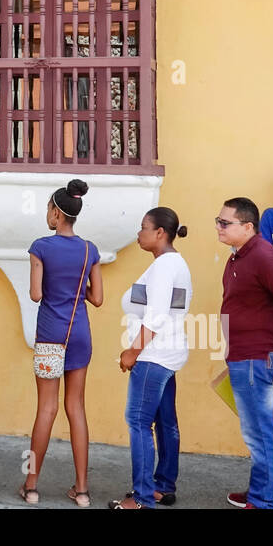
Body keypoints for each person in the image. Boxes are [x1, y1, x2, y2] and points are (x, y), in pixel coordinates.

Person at [216, 196, 273, 509]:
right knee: (253, 429)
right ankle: (260, 490)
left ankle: (264, 500)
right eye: (218, 221)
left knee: (259, 432)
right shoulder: (238, 257)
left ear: (247, 226)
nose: (219, 227)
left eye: (225, 222)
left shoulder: (264, 256)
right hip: (243, 355)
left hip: (258, 356)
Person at [20, 180, 102, 507]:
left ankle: (30, 486)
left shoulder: (40, 247)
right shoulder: (89, 250)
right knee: (76, 408)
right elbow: (97, 298)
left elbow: (36, 294)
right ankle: (81, 490)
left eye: (48, 209)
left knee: (46, 408)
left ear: (56, 213)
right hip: (80, 333)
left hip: (51, 334)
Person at [109, 207, 192, 510]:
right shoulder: (174, 264)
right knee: (165, 420)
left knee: (139, 422)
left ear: (160, 233)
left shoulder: (164, 267)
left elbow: (156, 314)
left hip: (153, 355)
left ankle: (143, 499)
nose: (139, 233)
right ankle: (162, 486)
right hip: (167, 353)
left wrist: (133, 350)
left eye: (144, 227)